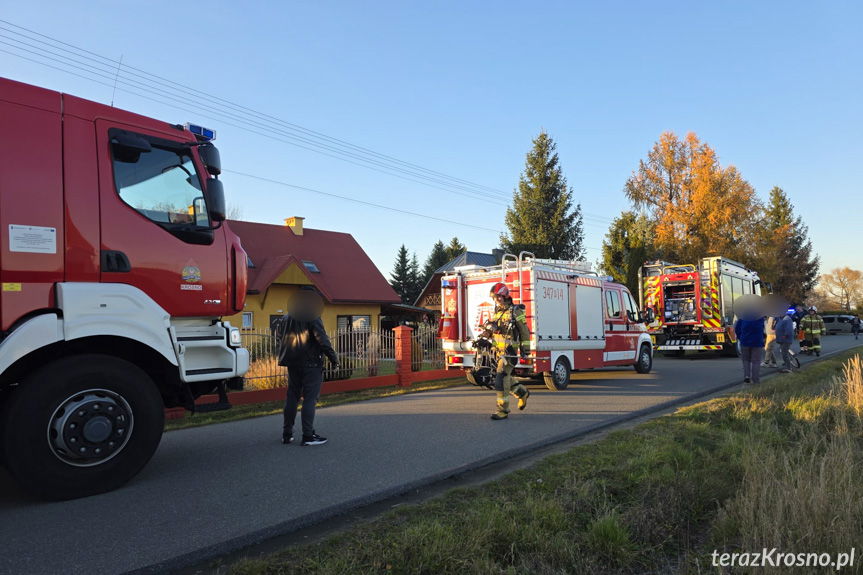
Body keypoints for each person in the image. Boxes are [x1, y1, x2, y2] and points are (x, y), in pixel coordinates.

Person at [274, 286, 339, 446]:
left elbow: (279, 337)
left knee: (292, 397)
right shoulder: (312, 316)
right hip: (311, 363)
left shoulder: (285, 318)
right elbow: (322, 340)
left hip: (292, 363)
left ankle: (287, 434)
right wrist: (333, 359)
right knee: (310, 398)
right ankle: (308, 436)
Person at [487, 282, 530, 420]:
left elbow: (524, 331)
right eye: (494, 297)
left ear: (505, 295)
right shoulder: (497, 312)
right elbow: (496, 334)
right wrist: (488, 335)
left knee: (500, 378)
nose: (496, 299)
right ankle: (522, 393)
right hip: (498, 352)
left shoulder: (515, 311)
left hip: (510, 352)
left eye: (499, 296)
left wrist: (525, 349)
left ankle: (503, 410)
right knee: (504, 378)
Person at [734, 314, 766, 384]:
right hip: (757, 342)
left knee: (746, 360)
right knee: (756, 361)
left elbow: (737, 329)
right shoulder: (760, 318)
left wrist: (741, 337)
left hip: (745, 342)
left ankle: (747, 376)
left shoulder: (742, 318)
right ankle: (755, 379)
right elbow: (762, 329)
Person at [774, 308, 797, 373]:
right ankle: (788, 362)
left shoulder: (787, 319)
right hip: (781, 339)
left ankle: (789, 368)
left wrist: (785, 335)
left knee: (784, 354)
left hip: (785, 339)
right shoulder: (780, 319)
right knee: (784, 352)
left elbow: (789, 330)